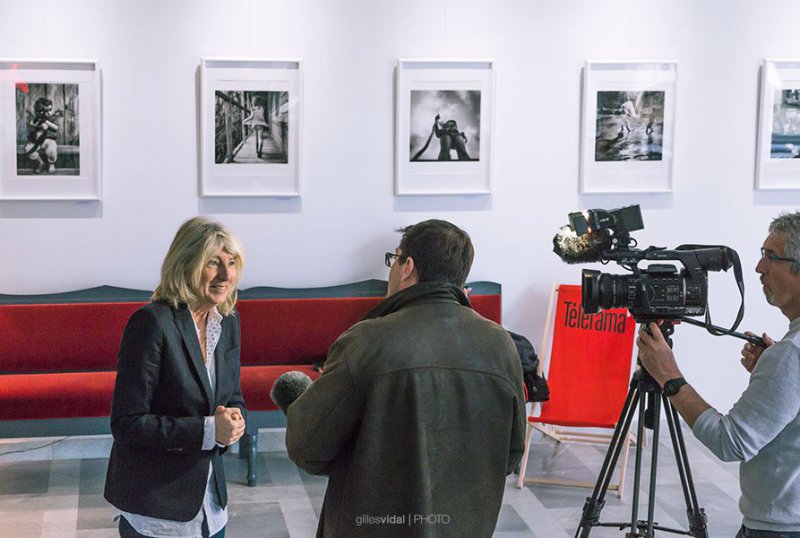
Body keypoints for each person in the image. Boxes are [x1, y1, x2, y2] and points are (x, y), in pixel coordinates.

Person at [285, 219, 526, 538]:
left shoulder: (368, 340)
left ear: (407, 265)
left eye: (393, 259)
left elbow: (307, 449)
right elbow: (511, 453)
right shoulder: (500, 344)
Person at [637, 211, 800, 538]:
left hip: (779, 528)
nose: (758, 268)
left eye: (771, 257)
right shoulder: (788, 355)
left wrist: (670, 376)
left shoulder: (790, 356)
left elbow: (732, 442)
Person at [104, 216, 247, 538]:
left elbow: (232, 397)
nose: (226, 276)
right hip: (158, 507)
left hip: (210, 503)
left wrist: (236, 423)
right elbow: (127, 423)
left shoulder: (227, 320)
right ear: (186, 264)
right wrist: (210, 429)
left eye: (232, 263)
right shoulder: (151, 323)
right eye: (213, 263)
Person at [24, 97, 62, 174]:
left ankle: (51, 164)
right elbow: (31, 123)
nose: (48, 113)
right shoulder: (38, 118)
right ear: (40, 111)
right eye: (45, 111)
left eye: (50, 110)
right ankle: (41, 163)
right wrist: (39, 125)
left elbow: (56, 127)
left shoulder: (52, 118)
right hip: (38, 141)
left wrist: (47, 122)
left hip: (50, 140)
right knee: (28, 148)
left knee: (51, 150)